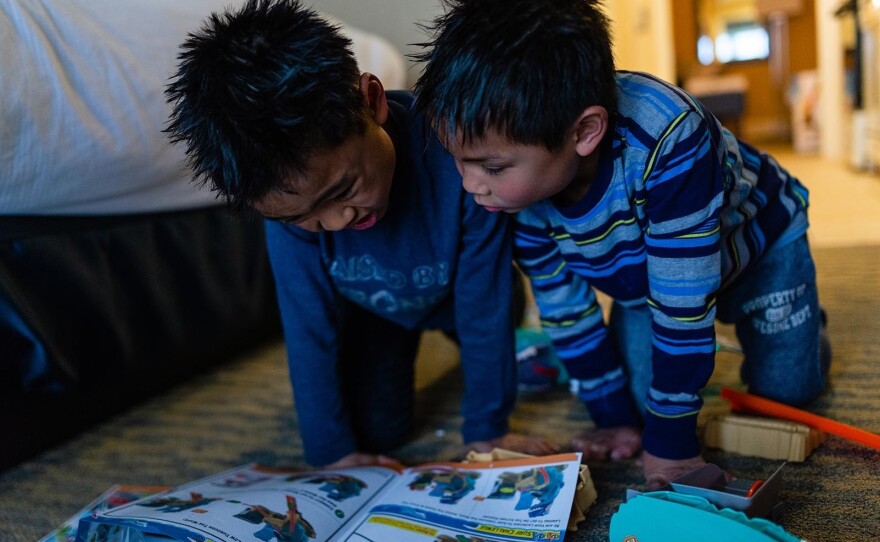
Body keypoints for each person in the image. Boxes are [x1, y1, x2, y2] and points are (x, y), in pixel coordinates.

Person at [413, 0, 830, 488]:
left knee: (786, 392)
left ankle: (806, 330)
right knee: (633, 404)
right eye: (458, 162)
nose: (469, 185)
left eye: (492, 167)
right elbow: (566, 309)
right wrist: (612, 416)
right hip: (645, 279)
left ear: (585, 131)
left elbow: (683, 308)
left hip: (759, 249)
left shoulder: (671, 140)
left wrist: (672, 448)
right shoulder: (511, 197)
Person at [164, 0, 557, 469]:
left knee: (495, 323)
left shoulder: (461, 162)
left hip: (463, 292)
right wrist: (331, 455)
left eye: (345, 189)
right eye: (302, 217)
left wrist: (487, 431)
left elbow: (481, 307)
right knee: (377, 432)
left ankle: (525, 336)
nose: (335, 222)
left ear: (372, 102)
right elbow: (308, 328)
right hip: (375, 310)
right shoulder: (291, 208)